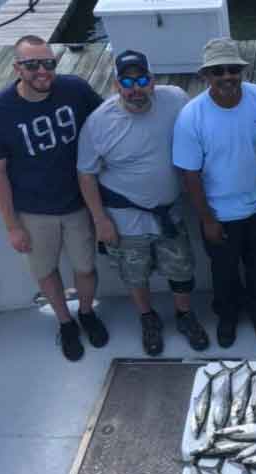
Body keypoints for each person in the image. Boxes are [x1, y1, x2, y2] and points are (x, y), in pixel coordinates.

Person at [0, 35, 108, 361]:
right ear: (17, 68)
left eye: (48, 62)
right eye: (32, 64)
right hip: (33, 212)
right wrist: (12, 226)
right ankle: (65, 323)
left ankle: (87, 314)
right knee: (45, 270)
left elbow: (108, 121)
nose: (42, 71)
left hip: (79, 203)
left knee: (85, 267)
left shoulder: (76, 90)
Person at [77, 50, 209, 356]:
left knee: (181, 269)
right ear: (116, 85)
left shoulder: (175, 98)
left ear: (152, 80)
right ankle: (148, 319)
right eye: (127, 81)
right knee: (133, 273)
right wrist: (100, 220)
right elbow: (85, 174)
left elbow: (200, 129)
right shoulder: (98, 123)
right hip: (124, 218)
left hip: (171, 212)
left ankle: (184, 315)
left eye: (142, 79)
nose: (135, 88)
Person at [173, 38, 256, 348]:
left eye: (233, 69)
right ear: (206, 76)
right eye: (218, 71)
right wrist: (207, 219)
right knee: (224, 275)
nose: (227, 76)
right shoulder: (192, 117)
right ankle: (228, 317)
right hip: (219, 214)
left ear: (242, 72)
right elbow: (189, 175)